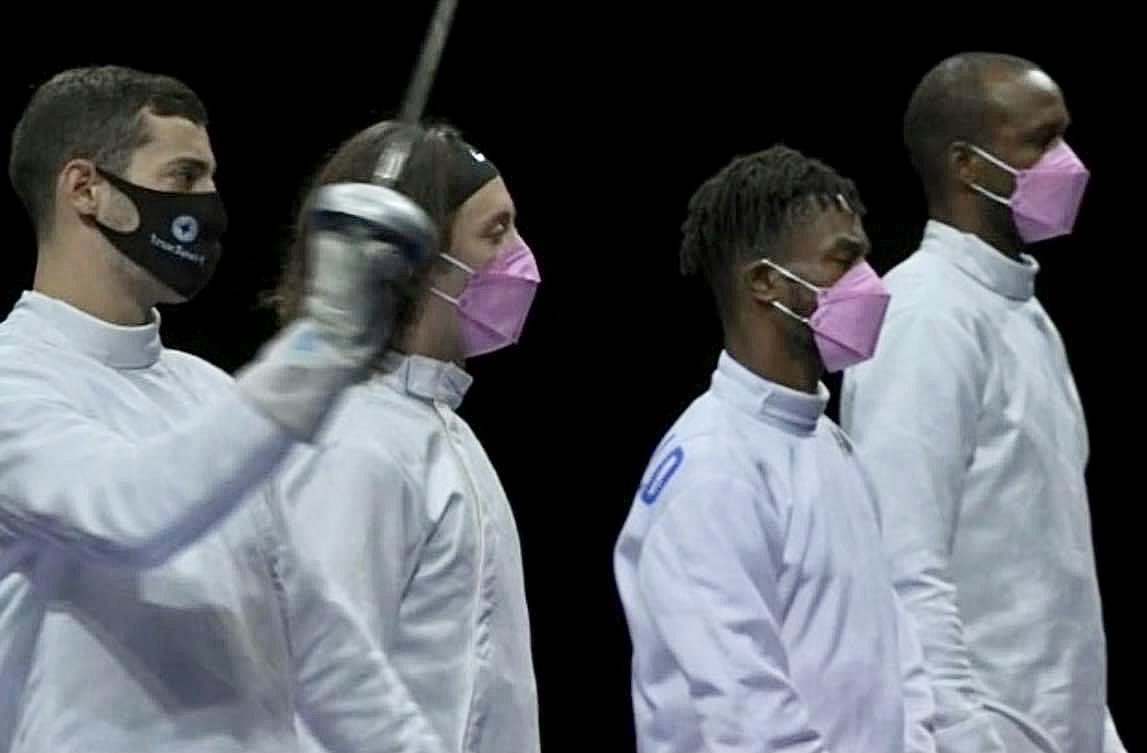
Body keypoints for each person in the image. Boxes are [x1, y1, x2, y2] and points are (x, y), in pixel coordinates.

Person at [0, 65, 444, 752]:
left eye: (211, 178)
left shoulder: (207, 390)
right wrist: (323, 341)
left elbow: (319, 638)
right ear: (86, 189)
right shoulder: (14, 380)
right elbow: (133, 510)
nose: (210, 204)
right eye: (183, 176)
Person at [840, 52, 1125, 753]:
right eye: (1040, 141)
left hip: (1062, 728)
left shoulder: (1025, 317)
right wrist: (960, 736)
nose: (1066, 161)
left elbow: (1052, 561)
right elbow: (902, 562)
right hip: (982, 731)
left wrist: (1097, 728)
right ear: (966, 164)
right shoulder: (923, 316)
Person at [613, 144, 936, 753]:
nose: (868, 285)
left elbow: (896, 647)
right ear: (765, 282)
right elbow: (746, 715)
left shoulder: (829, 443)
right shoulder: (711, 466)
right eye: (844, 263)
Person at [271, 121, 541, 753]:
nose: (520, 255)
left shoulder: (443, 431)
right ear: (409, 259)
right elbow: (317, 699)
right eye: (495, 231)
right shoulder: (350, 441)